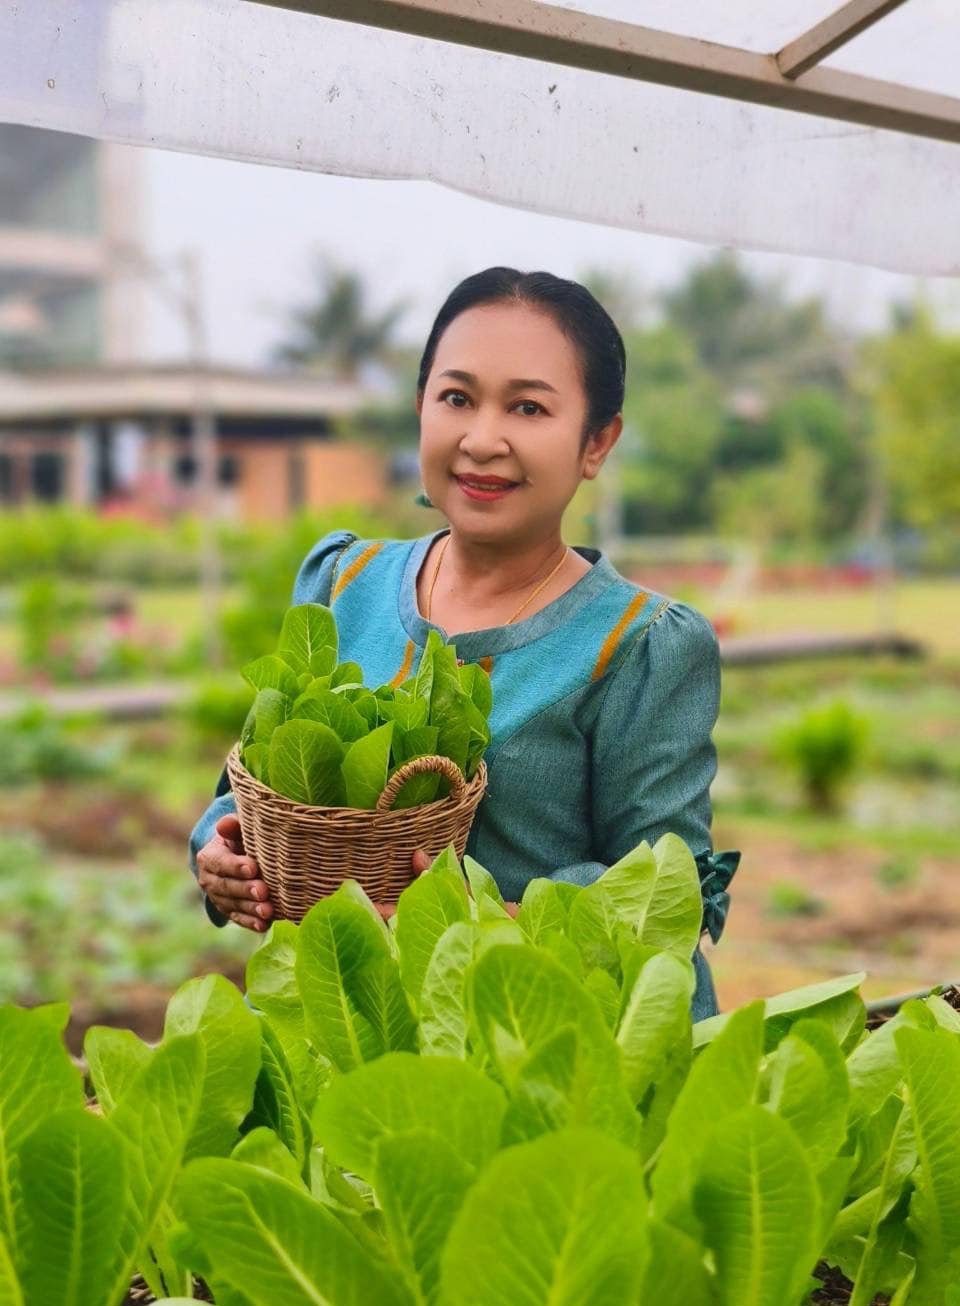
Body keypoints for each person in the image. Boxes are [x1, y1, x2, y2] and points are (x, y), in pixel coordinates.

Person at [190, 267, 738, 1019]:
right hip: (352, 1020)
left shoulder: (640, 645)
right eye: (456, 398)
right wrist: (217, 854)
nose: (483, 439)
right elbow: (246, 785)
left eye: (528, 407)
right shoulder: (342, 581)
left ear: (596, 442)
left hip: (555, 1038)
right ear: (421, 409)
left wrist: (479, 922)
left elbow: (665, 889)